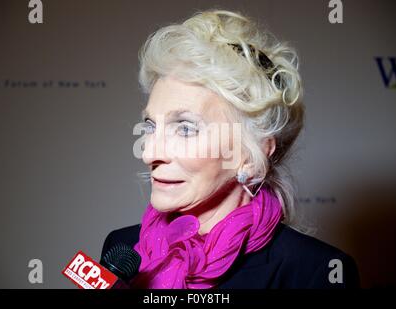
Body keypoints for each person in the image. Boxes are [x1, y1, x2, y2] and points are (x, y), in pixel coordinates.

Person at [100, 9, 360, 289]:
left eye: (185, 128)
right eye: (151, 126)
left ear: (250, 156)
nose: (149, 153)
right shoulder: (122, 249)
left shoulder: (314, 272)